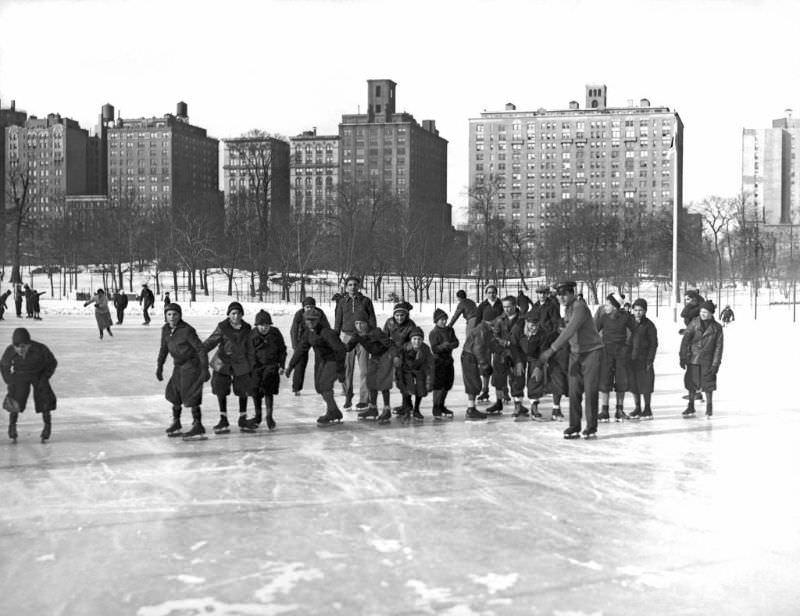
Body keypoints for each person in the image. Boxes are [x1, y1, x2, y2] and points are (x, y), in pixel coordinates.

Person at [539, 281, 604, 439]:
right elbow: (566, 332)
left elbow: (570, 330)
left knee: (590, 391)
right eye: (559, 295)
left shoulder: (579, 307)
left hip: (592, 352)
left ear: (572, 293)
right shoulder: (567, 309)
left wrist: (551, 350)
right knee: (574, 391)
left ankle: (591, 427)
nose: (561, 297)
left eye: (564, 294)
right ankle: (574, 425)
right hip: (576, 354)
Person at [156, 303, 209, 440]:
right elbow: (164, 349)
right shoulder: (165, 330)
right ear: (165, 316)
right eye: (169, 314)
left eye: (175, 314)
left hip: (192, 365)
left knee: (191, 394)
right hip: (178, 366)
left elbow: (200, 349)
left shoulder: (187, 330)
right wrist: (160, 366)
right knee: (174, 393)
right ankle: (177, 422)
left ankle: (198, 425)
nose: (172, 317)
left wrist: (205, 369)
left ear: (180, 315)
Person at [286, 307, 347, 425]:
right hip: (323, 361)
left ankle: (333, 412)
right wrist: (290, 366)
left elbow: (340, 350)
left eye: (313, 320)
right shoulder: (308, 333)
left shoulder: (326, 332)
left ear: (318, 320)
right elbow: (300, 349)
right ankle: (333, 411)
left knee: (324, 386)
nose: (310, 322)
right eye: (307, 320)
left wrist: (340, 370)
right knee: (319, 387)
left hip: (333, 360)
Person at [203, 301, 254, 434]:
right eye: (233, 313)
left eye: (238, 313)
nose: (236, 316)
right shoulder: (222, 327)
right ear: (229, 315)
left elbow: (250, 348)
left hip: (241, 362)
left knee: (243, 390)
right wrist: (198, 350)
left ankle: (243, 418)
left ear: (242, 314)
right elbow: (211, 341)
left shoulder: (247, 329)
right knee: (221, 389)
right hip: (223, 363)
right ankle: (223, 419)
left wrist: (252, 365)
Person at [1, 328, 57, 443]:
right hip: (20, 374)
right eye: (18, 347)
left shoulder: (40, 349)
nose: (21, 349)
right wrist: (10, 380)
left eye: (24, 346)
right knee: (15, 398)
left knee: (44, 398)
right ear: (14, 346)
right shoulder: (10, 351)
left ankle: (47, 426)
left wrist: (45, 377)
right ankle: (12, 426)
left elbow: (52, 362)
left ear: (29, 344)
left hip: (38, 374)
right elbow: (4, 366)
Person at [344, 310, 394, 424]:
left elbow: (390, 344)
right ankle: (373, 408)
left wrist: (395, 357)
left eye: (362, 323)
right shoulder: (356, 335)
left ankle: (387, 409)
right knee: (371, 382)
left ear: (367, 323)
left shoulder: (376, 332)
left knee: (383, 383)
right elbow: (348, 348)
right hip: (375, 357)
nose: (359, 326)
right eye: (356, 323)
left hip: (386, 356)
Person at [334, 276, 376, 411]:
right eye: (350, 285)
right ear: (346, 287)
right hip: (347, 337)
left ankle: (364, 399)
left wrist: (372, 335)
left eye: (355, 285)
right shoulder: (341, 301)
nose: (352, 287)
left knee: (364, 370)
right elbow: (338, 320)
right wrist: (335, 338)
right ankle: (348, 395)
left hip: (363, 337)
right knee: (347, 369)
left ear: (359, 286)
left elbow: (372, 319)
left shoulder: (365, 301)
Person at [680, 300, 723, 419]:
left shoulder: (717, 327)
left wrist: (715, 364)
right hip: (693, 358)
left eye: (705, 312)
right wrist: (683, 357)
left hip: (708, 360)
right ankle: (690, 405)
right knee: (691, 383)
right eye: (701, 311)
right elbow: (685, 341)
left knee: (708, 384)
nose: (702, 314)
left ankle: (709, 408)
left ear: (711, 313)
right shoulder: (694, 323)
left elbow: (719, 347)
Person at [595, 293, 633, 421]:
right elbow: (594, 330)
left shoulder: (625, 317)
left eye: (607, 304)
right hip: (606, 352)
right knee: (605, 380)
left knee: (621, 381)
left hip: (621, 353)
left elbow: (635, 331)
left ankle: (619, 409)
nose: (605, 306)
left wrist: (629, 347)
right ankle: (604, 410)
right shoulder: (603, 318)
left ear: (615, 306)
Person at [485, 295, 524, 416]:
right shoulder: (499, 320)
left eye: (509, 306)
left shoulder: (522, 319)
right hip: (501, 353)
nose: (506, 309)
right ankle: (498, 401)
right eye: (504, 307)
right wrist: (502, 342)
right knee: (498, 379)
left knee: (517, 379)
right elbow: (494, 336)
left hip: (516, 354)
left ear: (515, 306)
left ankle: (518, 405)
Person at [248, 310, 286, 431]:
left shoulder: (275, 333)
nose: (264, 327)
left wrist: (282, 365)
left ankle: (269, 416)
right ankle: (258, 416)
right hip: (256, 368)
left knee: (268, 391)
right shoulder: (252, 335)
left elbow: (282, 350)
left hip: (271, 366)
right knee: (256, 392)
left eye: (267, 325)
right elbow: (248, 353)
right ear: (256, 325)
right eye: (262, 325)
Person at [289, 297, 330, 395]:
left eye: (312, 307)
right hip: (303, 340)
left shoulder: (320, 313)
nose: (310, 309)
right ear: (303, 307)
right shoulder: (299, 314)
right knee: (300, 363)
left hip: (317, 339)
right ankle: (296, 388)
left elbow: (326, 327)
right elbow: (294, 331)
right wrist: (295, 346)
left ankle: (320, 387)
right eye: (307, 307)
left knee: (320, 363)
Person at [383, 301, 417, 414]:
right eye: (397, 315)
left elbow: (414, 341)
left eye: (402, 315)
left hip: (407, 355)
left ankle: (407, 405)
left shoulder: (410, 325)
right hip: (393, 354)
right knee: (398, 380)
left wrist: (404, 351)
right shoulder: (389, 322)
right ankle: (406, 404)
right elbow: (384, 338)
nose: (399, 318)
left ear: (406, 315)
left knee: (405, 380)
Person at [628, 298, 658, 420]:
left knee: (645, 384)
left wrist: (650, 359)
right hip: (631, 358)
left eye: (640, 310)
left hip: (644, 358)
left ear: (645, 311)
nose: (638, 313)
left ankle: (647, 408)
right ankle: (637, 407)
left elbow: (653, 343)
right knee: (633, 384)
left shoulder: (649, 325)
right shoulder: (629, 323)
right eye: (635, 310)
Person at [397, 327, 434, 422]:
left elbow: (430, 365)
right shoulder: (404, 348)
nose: (417, 341)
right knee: (406, 390)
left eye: (419, 339)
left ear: (422, 340)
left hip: (420, 371)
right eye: (414, 339)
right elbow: (399, 364)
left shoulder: (425, 349)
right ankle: (407, 410)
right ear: (411, 339)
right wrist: (399, 378)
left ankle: (416, 409)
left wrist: (429, 381)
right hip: (406, 371)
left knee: (420, 388)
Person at [475, 285, 504, 402]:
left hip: (498, 339)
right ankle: (485, 390)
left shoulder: (501, 304)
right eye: (489, 292)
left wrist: (496, 323)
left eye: (493, 292)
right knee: (485, 365)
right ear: (486, 294)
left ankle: (504, 392)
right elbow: (477, 322)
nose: (491, 294)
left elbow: (506, 317)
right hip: (486, 339)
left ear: (496, 293)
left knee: (500, 366)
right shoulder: (482, 306)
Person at [429, 308, 459, 420]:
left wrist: (450, 345)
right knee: (438, 385)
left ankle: (441, 405)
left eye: (445, 319)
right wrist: (444, 346)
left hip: (448, 360)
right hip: (438, 362)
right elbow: (434, 348)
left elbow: (456, 342)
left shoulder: (450, 330)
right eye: (441, 320)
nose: (444, 322)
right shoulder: (434, 333)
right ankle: (436, 407)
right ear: (436, 321)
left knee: (447, 384)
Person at [460, 313, 491, 421]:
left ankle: (471, 408)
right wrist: (484, 364)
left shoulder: (486, 329)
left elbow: (492, 344)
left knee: (475, 383)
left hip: (471, 356)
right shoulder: (481, 330)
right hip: (469, 357)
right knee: (473, 383)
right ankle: (470, 410)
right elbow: (477, 349)